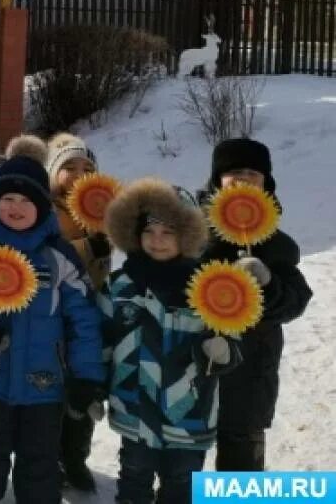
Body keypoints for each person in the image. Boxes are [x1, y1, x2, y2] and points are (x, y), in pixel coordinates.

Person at [0, 138, 104, 504]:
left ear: (41, 206)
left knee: (40, 460)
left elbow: (83, 319)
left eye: (25, 201)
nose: (15, 207)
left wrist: (87, 374)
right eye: (7, 199)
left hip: (45, 383)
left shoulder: (58, 256)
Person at [100, 178, 242, 504]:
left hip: (188, 414)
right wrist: (93, 385)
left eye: (168, 233)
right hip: (133, 409)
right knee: (133, 481)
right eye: (149, 232)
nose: (157, 241)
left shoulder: (208, 288)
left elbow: (231, 339)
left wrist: (223, 350)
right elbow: (103, 340)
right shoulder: (121, 286)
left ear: (187, 235)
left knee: (181, 487)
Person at [198, 137, 313, 470]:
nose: (244, 177)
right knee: (182, 451)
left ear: (266, 183)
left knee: (242, 453)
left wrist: (268, 284)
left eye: (254, 171)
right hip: (194, 361)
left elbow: (296, 301)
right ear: (217, 179)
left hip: (252, 367)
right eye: (234, 170)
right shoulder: (191, 230)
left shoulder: (276, 244)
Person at [46, 131, 110, 492]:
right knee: (55, 387)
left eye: (86, 167)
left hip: (93, 310)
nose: (78, 174)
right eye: (68, 167)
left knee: (85, 388)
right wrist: (88, 246)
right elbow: (52, 257)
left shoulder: (99, 207)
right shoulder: (45, 211)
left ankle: (75, 456)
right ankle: (52, 456)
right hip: (56, 313)